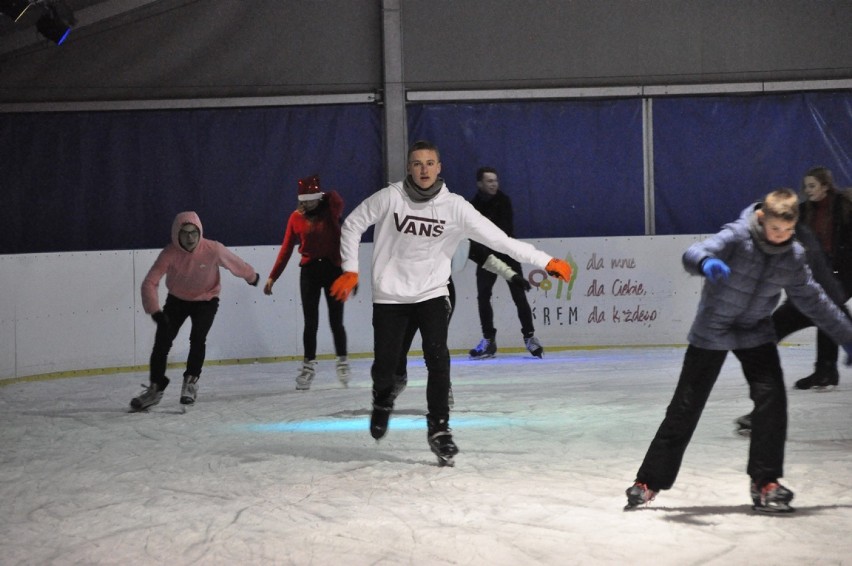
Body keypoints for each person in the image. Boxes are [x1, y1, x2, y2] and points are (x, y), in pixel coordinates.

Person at [329, 140, 572, 465]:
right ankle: (383, 398)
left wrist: (546, 261)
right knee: (386, 367)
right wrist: (349, 269)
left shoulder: (455, 208)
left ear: (439, 167)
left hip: (432, 294)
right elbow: (353, 224)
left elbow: (500, 241)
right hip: (390, 296)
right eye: (417, 163)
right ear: (410, 168)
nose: (424, 169)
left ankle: (439, 429)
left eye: (430, 163)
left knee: (438, 360)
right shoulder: (391, 197)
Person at [624, 189, 852, 513]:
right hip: (713, 329)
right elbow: (694, 252)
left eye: (788, 231)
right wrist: (707, 262)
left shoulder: (792, 256)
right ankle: (648, 482)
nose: (780, 238)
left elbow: (813, 300)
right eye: (775, 230)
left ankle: (766, 483)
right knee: (685, 407)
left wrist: (846, 335)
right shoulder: (737, 236)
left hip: (755, 329)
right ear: (762, 218)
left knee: (772, 400)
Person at [131, 211, 259, 410]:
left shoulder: (212, 249)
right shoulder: (170, 253)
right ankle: (156, 388)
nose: (190, 238)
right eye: (185, 233)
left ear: (200, 233)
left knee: (198, 338)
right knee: (162, 341)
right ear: (177, 234)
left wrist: (251, 277)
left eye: (194, 233)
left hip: (206, 299)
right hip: (177, 300)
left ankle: (190, 382)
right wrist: (155, 311)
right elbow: (150, 282)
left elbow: (236, 264)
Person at [735, 222, 851, 435]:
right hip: (802, 303)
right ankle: (764, 414)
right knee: (762, 345)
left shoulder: (802, 239)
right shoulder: (780, 236)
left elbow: (823, 279)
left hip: (822, 303)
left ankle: (765, 414)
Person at [264, 175, 349, 390]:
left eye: (313, 198)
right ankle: (308, 365)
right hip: (310, 272)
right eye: (305, 199)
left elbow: (338, 200)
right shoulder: (295, 218)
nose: (309, 203)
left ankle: (342, 361)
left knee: (336, 321)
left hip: (333, 270)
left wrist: (323, 195)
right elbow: (286, 249)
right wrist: (273, 276)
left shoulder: (330, 211)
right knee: (310, 322)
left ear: (319, 197)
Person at [468, 167, 543, 359]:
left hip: (507, 254)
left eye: (495, 180)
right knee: (483, 296)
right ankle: (488, 340)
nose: (494, 184)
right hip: (486, 257)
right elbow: (473, 234)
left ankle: (530, 337)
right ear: (480, 184)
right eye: (489, 181)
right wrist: (483, 254)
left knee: (519, 294)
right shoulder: (473, 205)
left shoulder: (504, 201)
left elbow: (504, 231)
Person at [789, 167, 852, 390]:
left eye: (812, 186)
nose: (808, 190)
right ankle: (825, 372)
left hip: (842, 274)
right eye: (806, 186)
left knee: (826, 312)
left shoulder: (844, 206)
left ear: (825, 186)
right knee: (825, 315)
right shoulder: (804, 211)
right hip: (817, 275)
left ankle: (825, 371)